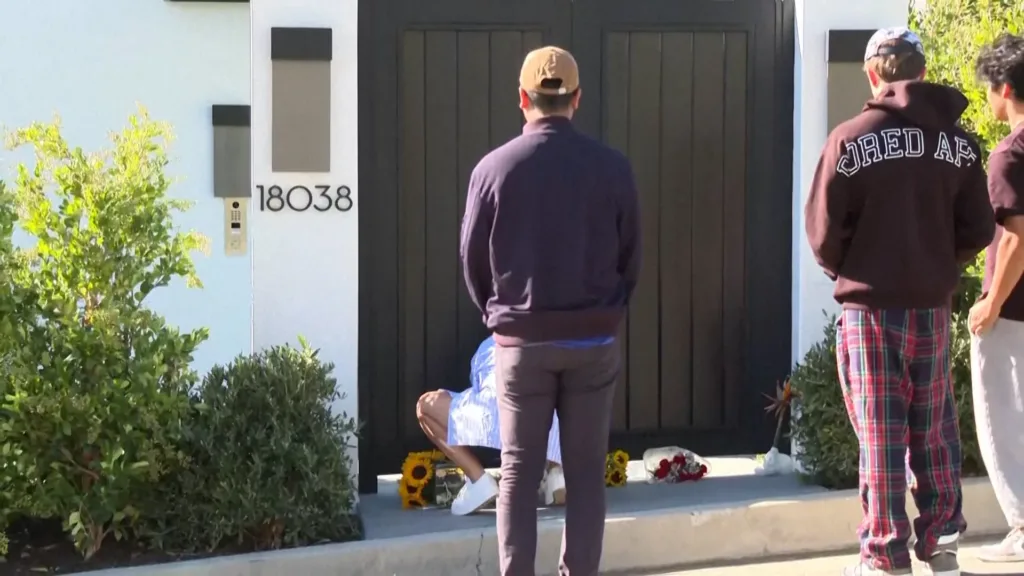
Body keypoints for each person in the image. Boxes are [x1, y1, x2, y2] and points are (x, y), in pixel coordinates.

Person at [804, 27, 995, 576]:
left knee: (881, 431)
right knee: (933, 426)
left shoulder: (848, 138)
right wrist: (937, 262)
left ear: (872, 75)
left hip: (869, 309)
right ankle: (941, 543)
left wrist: (850, 267)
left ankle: (884, 555)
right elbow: (978, 227)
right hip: (931, 306)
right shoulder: (959, 145)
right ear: (923, 70)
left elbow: (822, 232)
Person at [459, 46, 641, 576]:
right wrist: (605, 313)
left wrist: (502, 319)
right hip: (593, 341)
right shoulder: (613, 168)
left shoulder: (492, 169)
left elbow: (472, 261)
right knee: (585, 474)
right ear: (577, 99)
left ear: (522, 99)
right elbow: (631, 258)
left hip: (521, 344)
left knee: (517, 471)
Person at [967, 32, 1024, 564]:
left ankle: (1023, 525)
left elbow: (1015, 238)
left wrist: (991, 304)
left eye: (989, 89)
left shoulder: (1010, 155)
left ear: (1005, 89)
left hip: (1014, 312)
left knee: (1002, 415)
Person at [416, 335, 567, 516]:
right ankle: (556, 472)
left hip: (501, 415)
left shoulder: (489, 345)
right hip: (551, 421)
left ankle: (478, 480)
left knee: (425, 406)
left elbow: (480, 388)